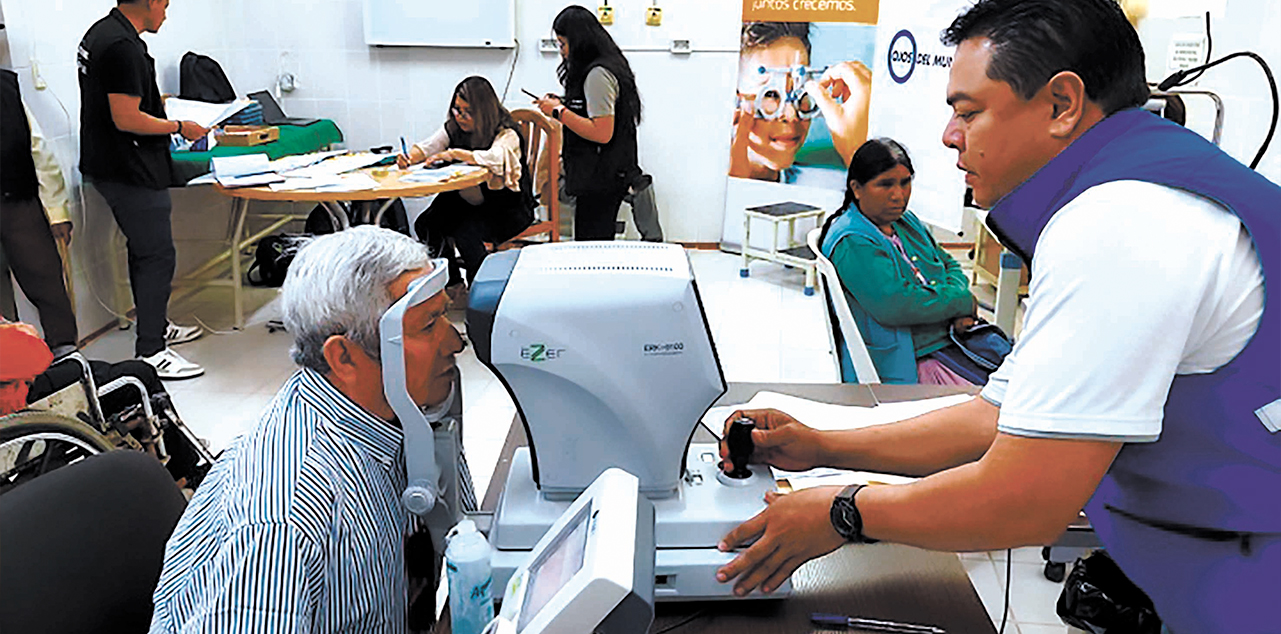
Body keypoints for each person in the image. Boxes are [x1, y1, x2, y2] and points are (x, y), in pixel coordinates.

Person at [714, 2, 1278, 633]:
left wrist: (843, 512)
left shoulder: (1124, 220)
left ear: (1062, 104)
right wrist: (822, 445)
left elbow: (1025, 498)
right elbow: (999, 416)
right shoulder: (1138, 185)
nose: (950, 136)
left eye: (968, 111)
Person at [151, 226, 469, 631]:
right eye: (428, 326)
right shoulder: (280, 522)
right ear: (345, 358)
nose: (454, 343)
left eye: (444, 318)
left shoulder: (408, 418)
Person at [78, 0, 210, 380]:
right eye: (165, 4)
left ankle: (156, 326)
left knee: (144, 252)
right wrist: (179, 126)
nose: (166, 13)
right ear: (150, 2)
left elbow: (117, 102)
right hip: (129, 169)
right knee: (156, 255)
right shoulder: (122, 46)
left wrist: (159, 105)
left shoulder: (102, 32)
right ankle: (152, 351)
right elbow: (126, 118)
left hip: (110, 164)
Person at [819, 138, 979, 386]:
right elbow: (897, 305)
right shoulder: (853, 241)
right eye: (885, 185)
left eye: (905, 183)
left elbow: (948, 263)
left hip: (948, 341)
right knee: (998, 406)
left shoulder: (905, 222)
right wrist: (961, 302)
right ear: (857, 188)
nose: (899, 195)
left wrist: (957, 304)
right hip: (912, 360)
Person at [400, 76, 534, 291]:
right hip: (467, 202)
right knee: (427, 224)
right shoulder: (454, 127)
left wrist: (454, 154)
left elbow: (495, 157)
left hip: (506, 207)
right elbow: (430, 146)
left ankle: (480, 290)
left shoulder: (506, 133)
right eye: (456, 109)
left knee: (465, 231)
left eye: (467, 112)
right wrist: (409, 157)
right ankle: (453, 285)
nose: (460, 117)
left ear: (483, 112)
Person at [534, 5, 642, 241]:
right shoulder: (603, 66)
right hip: (602, 173)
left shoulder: (598, 74)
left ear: (579, 41)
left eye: (563, 44)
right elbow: (592, 109)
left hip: (602, 174)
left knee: (592, 244)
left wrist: (560, 112)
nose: (562, 51)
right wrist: (564, 104)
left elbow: (601, 131)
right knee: (593, 240)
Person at [730, 22, 872, 186]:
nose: (791, 115)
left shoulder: (836, 187)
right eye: (770, 94)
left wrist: (855, 152)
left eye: (801, 92)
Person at [1, 65, 78, 358]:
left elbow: (38, 150)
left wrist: (57, 210)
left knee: (48, 282)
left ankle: (67, 357)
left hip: (16, 200)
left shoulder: (6, 87)